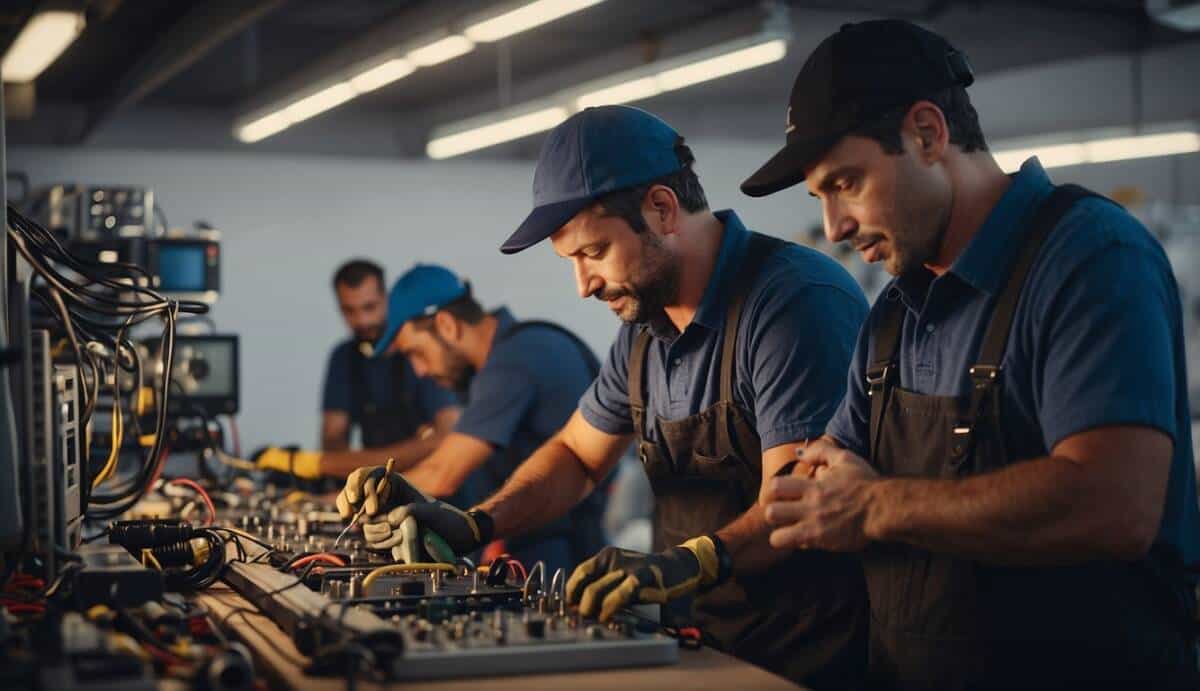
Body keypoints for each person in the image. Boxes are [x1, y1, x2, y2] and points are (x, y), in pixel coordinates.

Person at [338, 106, 870, 688]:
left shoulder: (791, 303)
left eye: (593, 253)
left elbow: (794, 503)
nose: (583, 283)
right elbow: (575, 456)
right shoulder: (644, 331)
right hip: (700, 645)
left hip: (800, 662)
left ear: (662, 209)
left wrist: (687, 562)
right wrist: (474, 523)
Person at [743, 19, 1200, 690]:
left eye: (846, 182)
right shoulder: (894, 315)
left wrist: (875, 507)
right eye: (821, 199)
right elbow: (817, 485)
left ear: (927, 133)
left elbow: (1113, 500)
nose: (835, 228)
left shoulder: (1090, 259)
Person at [337, 264, 609, 573]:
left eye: (416, 353)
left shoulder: (516, 359)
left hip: (556, 560)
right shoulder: (501, 362)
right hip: (525, 543)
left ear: (447, 325)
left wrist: (335, 505)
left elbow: (442, 473)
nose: (420, 371)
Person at [254, 259, 459, 481]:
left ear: (387, 299)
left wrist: (330, 464)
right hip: (378, 488)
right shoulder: (344, 357)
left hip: (432, 487)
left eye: (369, 307)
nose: (362, 320)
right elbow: (333, 440)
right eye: (349, 311)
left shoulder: (422, 350)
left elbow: (446, 439)